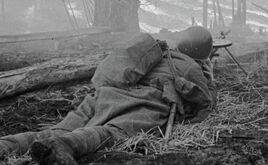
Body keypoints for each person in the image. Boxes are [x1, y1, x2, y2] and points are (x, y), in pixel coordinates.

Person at [0, 26, 214, 165]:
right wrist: (208, 76)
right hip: (143, 103)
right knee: (110, 133)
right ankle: (66, 145)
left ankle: (7, 145)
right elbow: (205, 102)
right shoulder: (188, 65)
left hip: (104, 94)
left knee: (56, 129)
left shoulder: (152, 51)